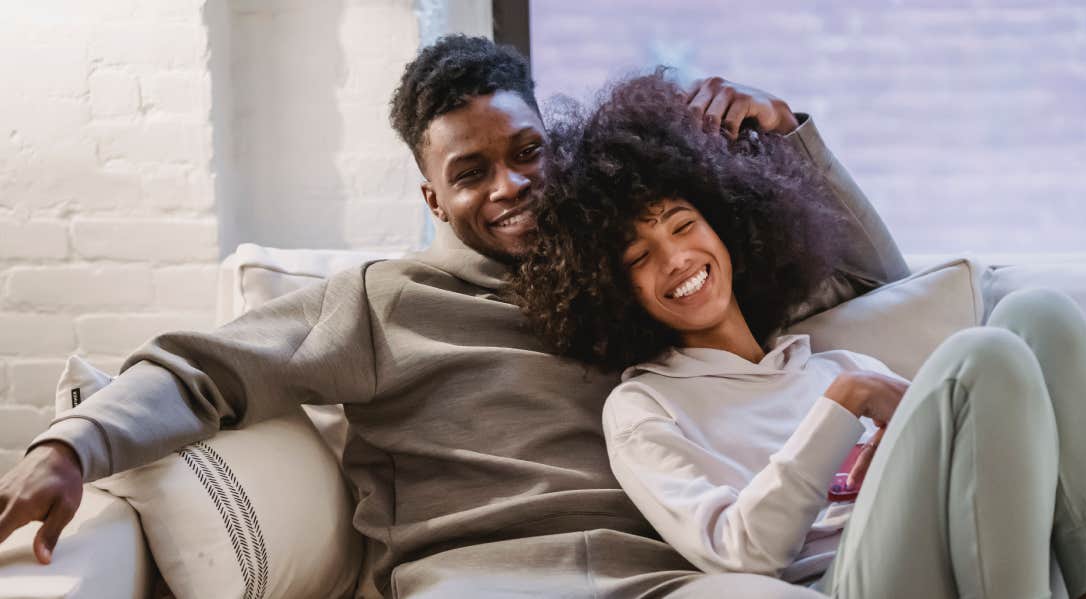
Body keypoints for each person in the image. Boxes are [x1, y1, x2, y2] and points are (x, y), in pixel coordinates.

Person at [0, 36, 908, 598]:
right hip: (482, 580)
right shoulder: (382, 301)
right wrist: (70, 445)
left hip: (666, 574)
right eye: (472, 173)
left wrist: (790, 138)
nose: (510, 186)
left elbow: (871, 283)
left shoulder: (636, 275)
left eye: (527, 153)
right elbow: (208, 368)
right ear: (434, 198)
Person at [509, 71, 1086, 598]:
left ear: (727, 225)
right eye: (637, 257)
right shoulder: (645, 407)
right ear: (609, 291)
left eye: (682, 225)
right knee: (988, 351)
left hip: (959, 547)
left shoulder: (827, 360)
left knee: (1041, 317)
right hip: (849, 583)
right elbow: (740, 554)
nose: (674, 259)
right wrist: (843, 405)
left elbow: (972, 446)